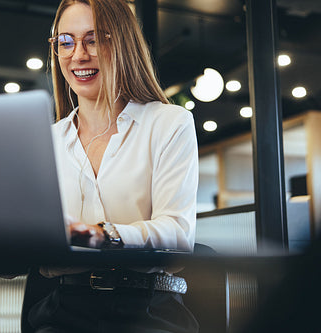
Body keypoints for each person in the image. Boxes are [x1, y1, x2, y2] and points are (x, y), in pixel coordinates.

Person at [27, 0, 199, 332]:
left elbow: (178, 234)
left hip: (148, 310)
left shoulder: (168, 123)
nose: (78, 54)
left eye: (93, 39)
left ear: (121, 44)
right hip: (64, 309)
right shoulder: (45, 141)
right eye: (66, 41)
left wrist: (103, 235)